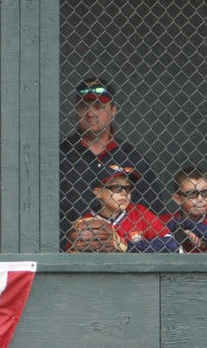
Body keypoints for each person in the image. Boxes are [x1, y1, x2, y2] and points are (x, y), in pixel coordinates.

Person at [59, 76, 165, 249]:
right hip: (69, 254)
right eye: (83, 107)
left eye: (98, 107)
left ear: (113, 110)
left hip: (123, 256)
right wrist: (68, 238)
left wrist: (124, 244)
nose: (90, 113)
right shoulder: (60, 155)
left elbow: (154, 212)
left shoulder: (133, 157)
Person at [68, 164, 180, 253]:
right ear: (99, 193)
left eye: (128, 188)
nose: (124, 193)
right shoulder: (86, 222)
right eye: (117, 188)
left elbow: (171, 244)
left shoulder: (139, 212)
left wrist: (126, 246)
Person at [159, 166, 207, 253]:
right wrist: (179, 234)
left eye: (205, 192)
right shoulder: (165, 220)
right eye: (192, 194)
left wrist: (182, 226)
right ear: (178, 199)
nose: (200, 198)